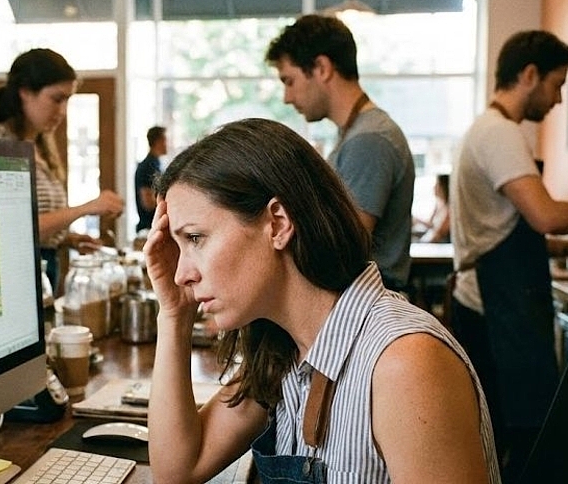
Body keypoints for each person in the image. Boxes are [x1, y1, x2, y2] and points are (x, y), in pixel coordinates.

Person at [145, 118, 500, 483]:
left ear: (278, 224)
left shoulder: (405, 364)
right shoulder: (284, 352)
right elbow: (178, 470)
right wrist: (174, 314)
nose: (181, 273)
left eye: (196, 238)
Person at [450, 30, 568, 481]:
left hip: (487, 297)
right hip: (498, 307)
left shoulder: (484, 129)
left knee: (501, 434)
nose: (559, 98)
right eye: (557, 84)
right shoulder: (501, 134)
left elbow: (507, 228)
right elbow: (544, 216)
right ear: (529, 75)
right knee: (525, 436)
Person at [265, 14, 414, 291]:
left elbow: (342, 248)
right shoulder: (355, 134)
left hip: (368, 303)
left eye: (289, 81)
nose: (287, 97)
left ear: (321, 68)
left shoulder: (369, 140)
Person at [0, 48, 123, 291]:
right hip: (14, 276)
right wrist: (87, 208)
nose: (63, 111)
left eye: (68, 100)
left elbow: (37, 228)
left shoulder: (40, 146)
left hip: (45, 268)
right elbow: (13, 226)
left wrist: (67, 239)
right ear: (25, 92)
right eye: (57, 99)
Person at [134, 126, 168, 233]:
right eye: (165, 140)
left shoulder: (156, 164)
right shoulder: (147, 167)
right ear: (158, 142)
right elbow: (147, 202)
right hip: (149, 228)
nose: (167, 144)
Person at [413, 173, 451, 243]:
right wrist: (417, 220)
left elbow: (439, 233)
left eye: (437, 184)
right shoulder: (438, 205)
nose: (434, 187)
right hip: (431, 239)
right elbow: (431, 224)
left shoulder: (449, 210)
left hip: (439, 244)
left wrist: (421, 242)